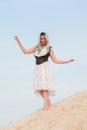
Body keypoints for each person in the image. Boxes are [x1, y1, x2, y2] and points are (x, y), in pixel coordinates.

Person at [14, 32, 74, 110]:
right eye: (41, 38)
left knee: (44, 87)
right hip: (37, 68)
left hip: (45, 67)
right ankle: (50, 104)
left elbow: (55, 60)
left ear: (46, 39)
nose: (42, 40)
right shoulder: (36, 47)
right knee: (39, 88)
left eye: (44, 38)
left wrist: (66, 62)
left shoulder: (49, 48)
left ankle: (45, 106)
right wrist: (18, 42)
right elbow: (25, 52)